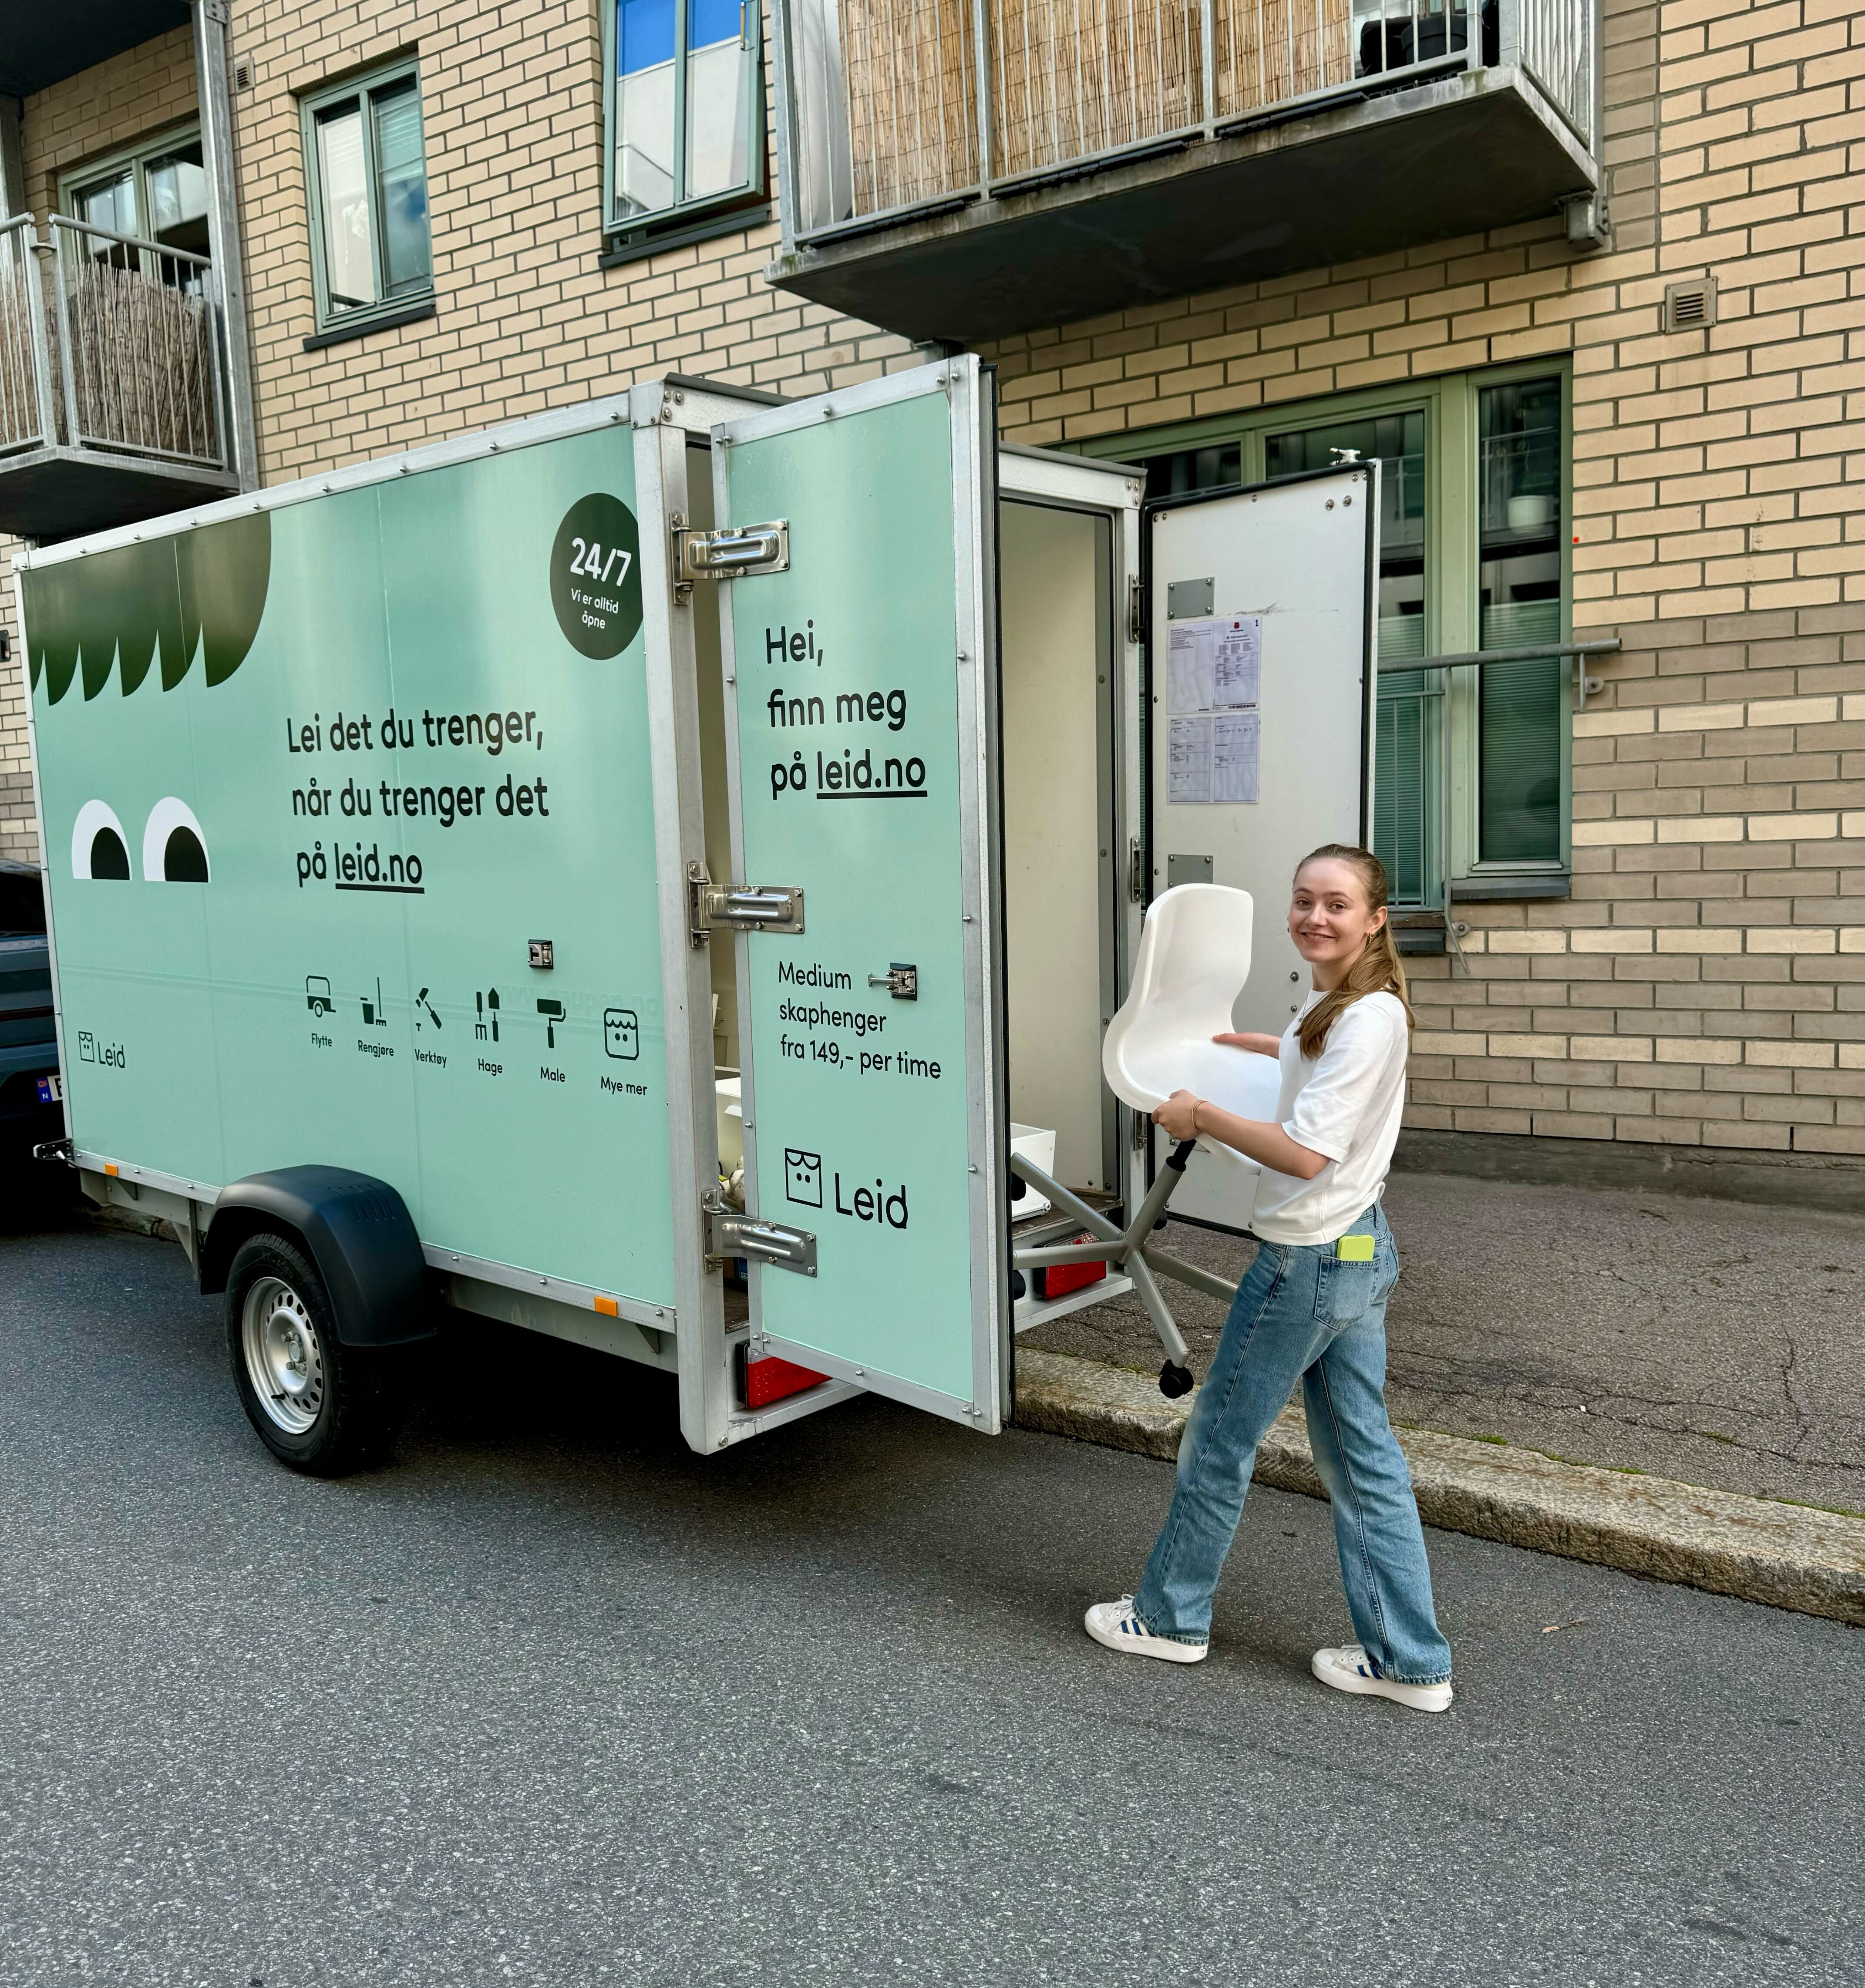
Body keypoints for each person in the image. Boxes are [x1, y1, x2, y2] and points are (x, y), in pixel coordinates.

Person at [1084, 844, 1454, 1712]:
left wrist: (1201, 1111)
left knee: (1220, 1438)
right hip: (1357, 1251)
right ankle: (1410, 1661)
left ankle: (1169, 1617)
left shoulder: (1364, 1021)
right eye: (1302, 900)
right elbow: (1319, 1075)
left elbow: (1306, 1153)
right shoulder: (1350, 1002)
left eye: (1336, 904)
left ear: (1376, 919)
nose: (1314, 917)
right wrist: (1267, 1048)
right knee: (1363, 1460)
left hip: (1309, 1261)